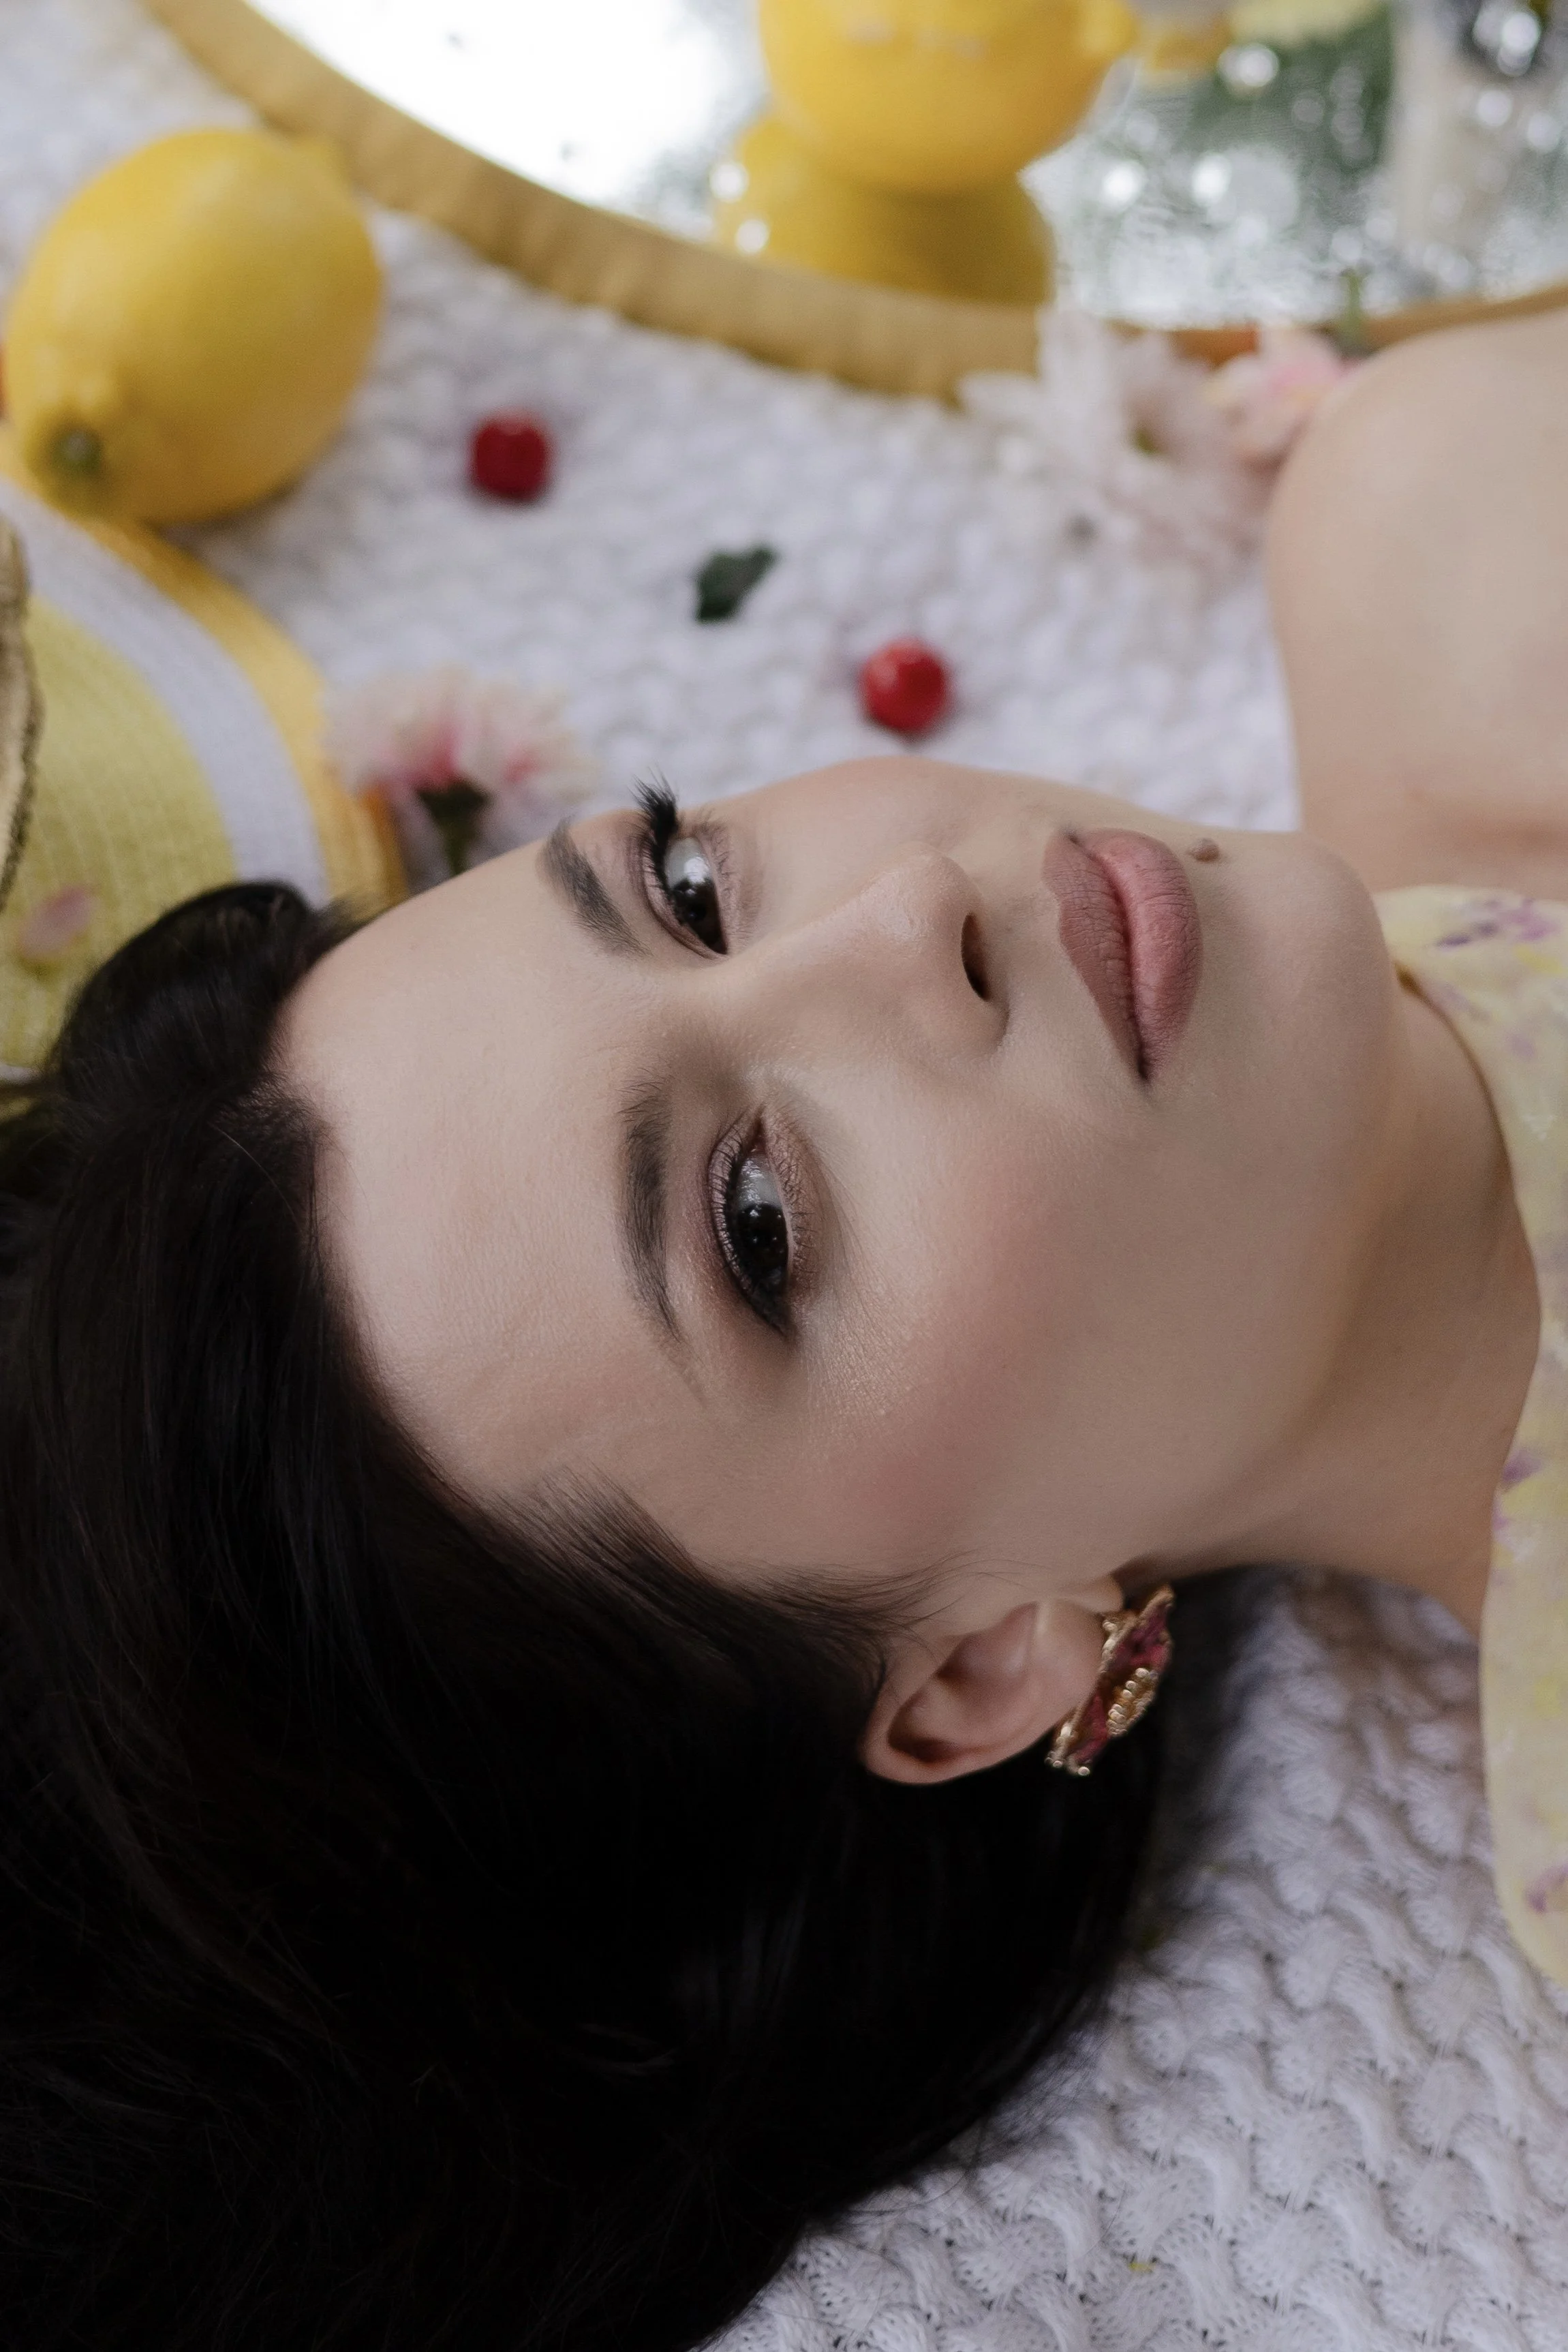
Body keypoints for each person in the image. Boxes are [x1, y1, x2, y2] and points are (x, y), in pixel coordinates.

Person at [1, 305, 1565, 2351]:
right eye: (757, 1223)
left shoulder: (1445, 527)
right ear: (988, 1667)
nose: (903, 919)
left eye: (686, 890)